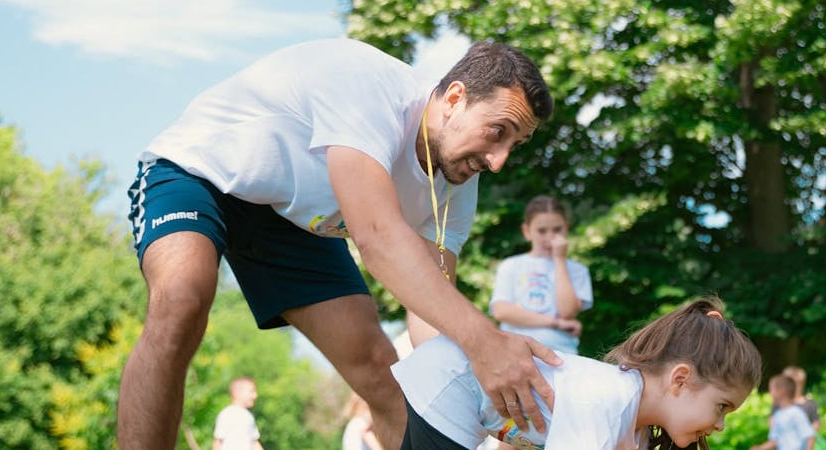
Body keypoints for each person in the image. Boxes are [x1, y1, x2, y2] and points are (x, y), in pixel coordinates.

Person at [118, 38, 559, 450]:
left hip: (291, 220)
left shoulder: (458, 180)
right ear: (455, 98)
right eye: (497, 131)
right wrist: (487, 344)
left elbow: (432, 312)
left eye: (515, 145)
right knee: (181, 300)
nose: (498, 161)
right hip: (202, 175)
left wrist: (483, 398)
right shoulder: (371, 88)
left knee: (384, 375)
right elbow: (377, 237)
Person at [391, 297, 763, 449]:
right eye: (721, 407)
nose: (720, 425)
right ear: (680, 379)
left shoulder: (633, 428)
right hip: (451, 381)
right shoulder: (608, 403)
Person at [489, 195, 592, 355]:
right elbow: (502, 311)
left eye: (557, 230)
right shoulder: (511, 266)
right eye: (542, 231)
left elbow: (568, 312)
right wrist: (555, 323)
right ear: (527, 231)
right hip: (514, 351)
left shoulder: (578, 270)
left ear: (567, 228)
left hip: (562, 354)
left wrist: (559, 260)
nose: (550, 237)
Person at [750, 375, 816, 450]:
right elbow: (775, 441)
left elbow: (810, 436)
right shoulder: (777, 415)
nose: (770, 393)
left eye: (771, 390)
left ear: (780, 392)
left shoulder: (796, 413)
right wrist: (760, 448)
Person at [212, 377, 263, 450]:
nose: (255, 395)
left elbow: (254, 442)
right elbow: (217, 442)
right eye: (251, 391)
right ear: (237, 393)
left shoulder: (249, 416)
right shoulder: (226, 414)